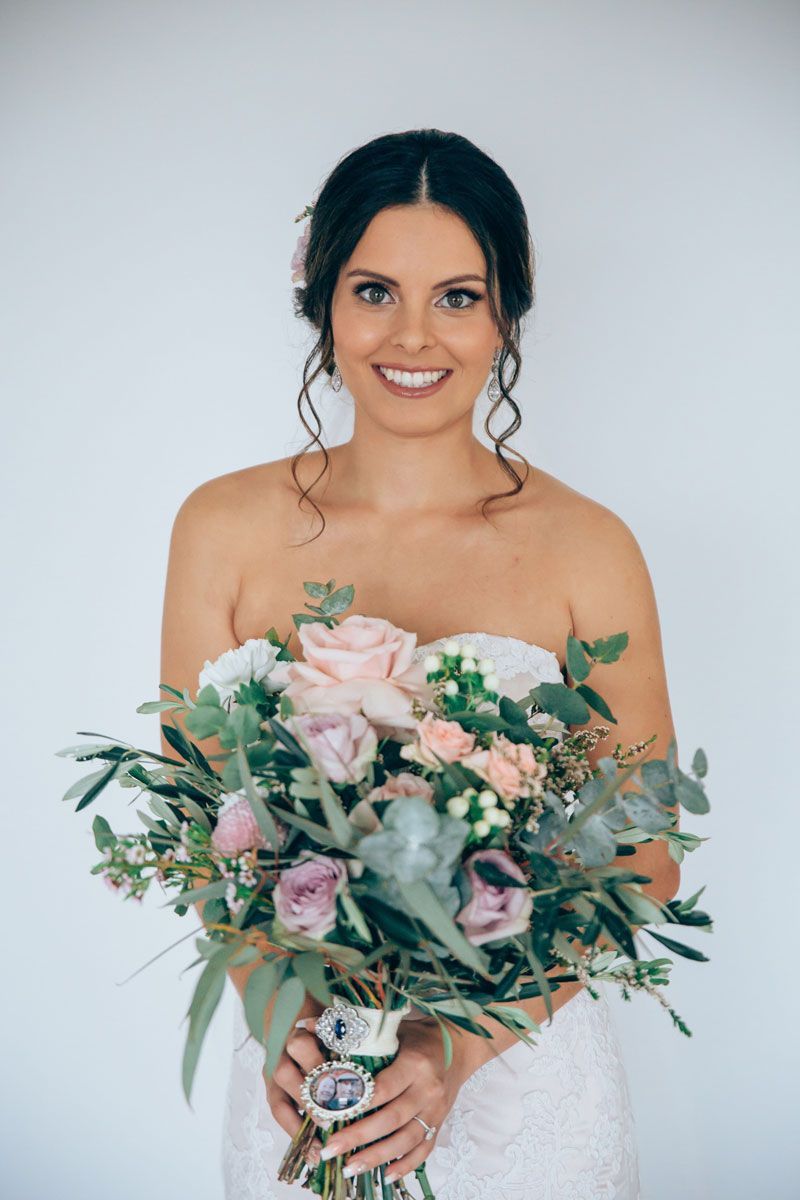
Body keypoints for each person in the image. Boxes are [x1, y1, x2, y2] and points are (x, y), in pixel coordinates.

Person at [159, 129, 680, 1199]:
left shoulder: (591, 547)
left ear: (508, 312)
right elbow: (194, 824)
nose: (411, 335)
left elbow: (643, 856)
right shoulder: (220, 527)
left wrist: (456, 1049)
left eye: (456, 296)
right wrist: (276, 1012)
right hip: (306, 1078)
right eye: (372, 289)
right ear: (320, 301)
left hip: (523, 1085)